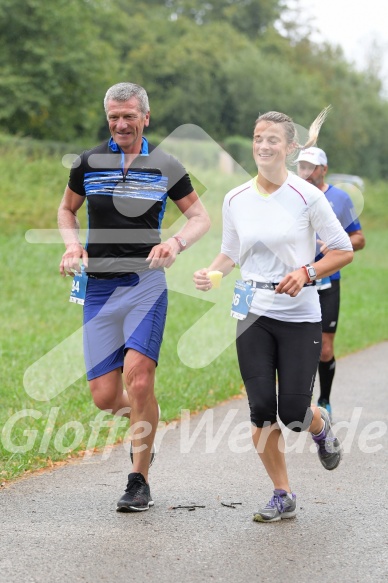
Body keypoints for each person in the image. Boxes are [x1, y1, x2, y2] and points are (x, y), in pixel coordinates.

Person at [193, 108, 353, 523]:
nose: (264, 146)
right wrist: (213, 272)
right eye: (258, 138)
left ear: (290, 146)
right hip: (253, 312)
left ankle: (320, 429)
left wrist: (307, 271)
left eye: (273, 140)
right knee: (262, 408)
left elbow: (342, 249)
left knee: (295, 413)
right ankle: (282, 493)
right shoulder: (236, 198)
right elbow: (231, 252)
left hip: (300, 315)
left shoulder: (308, 195)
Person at [58, 82, 210, 512]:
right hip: (100, 289)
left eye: (128, 116)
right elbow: (67, 209)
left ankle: (138, 479)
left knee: (139, 379)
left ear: (146, 117)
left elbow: (199, 216)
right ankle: (146, 425)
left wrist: (175, 245)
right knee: (106, 397)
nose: (121, 124)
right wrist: (72, 245)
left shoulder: (165, 164)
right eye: (113, 117)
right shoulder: (87, 163)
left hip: (145, 284)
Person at [297, 147, 365, 419]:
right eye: (302, 166)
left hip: (328, 283)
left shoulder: (340, 198)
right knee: (301, 346)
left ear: (324, 169)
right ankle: (302, 403)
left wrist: (336, 246)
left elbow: (358, 238)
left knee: (325, 348)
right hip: (298, 281)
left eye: (312, 167)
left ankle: (324, 400)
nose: (307, 172)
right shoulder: (293, 196)